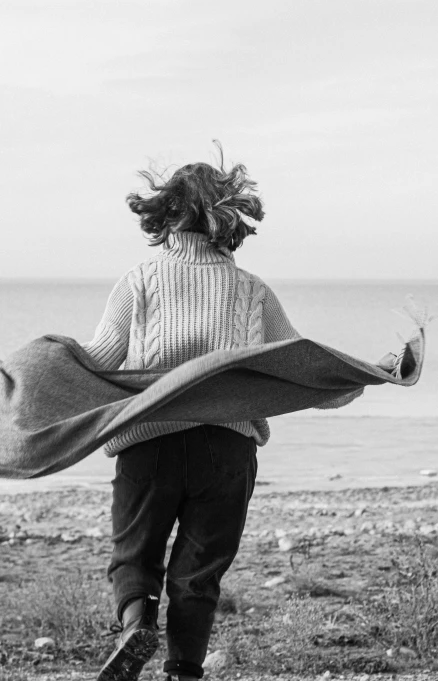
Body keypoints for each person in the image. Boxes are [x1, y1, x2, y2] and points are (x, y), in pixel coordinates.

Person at [83, 144, 352, 681]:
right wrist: (358, 379)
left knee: (135, 553)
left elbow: (98, 362)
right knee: (199, 570)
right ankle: (184, 670)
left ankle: (137, 624)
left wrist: (34, 374)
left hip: (149, 444)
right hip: (226, 450)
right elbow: (298, 366)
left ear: (166, 211)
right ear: (228, 217)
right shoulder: (252, 290)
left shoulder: (139, 280)